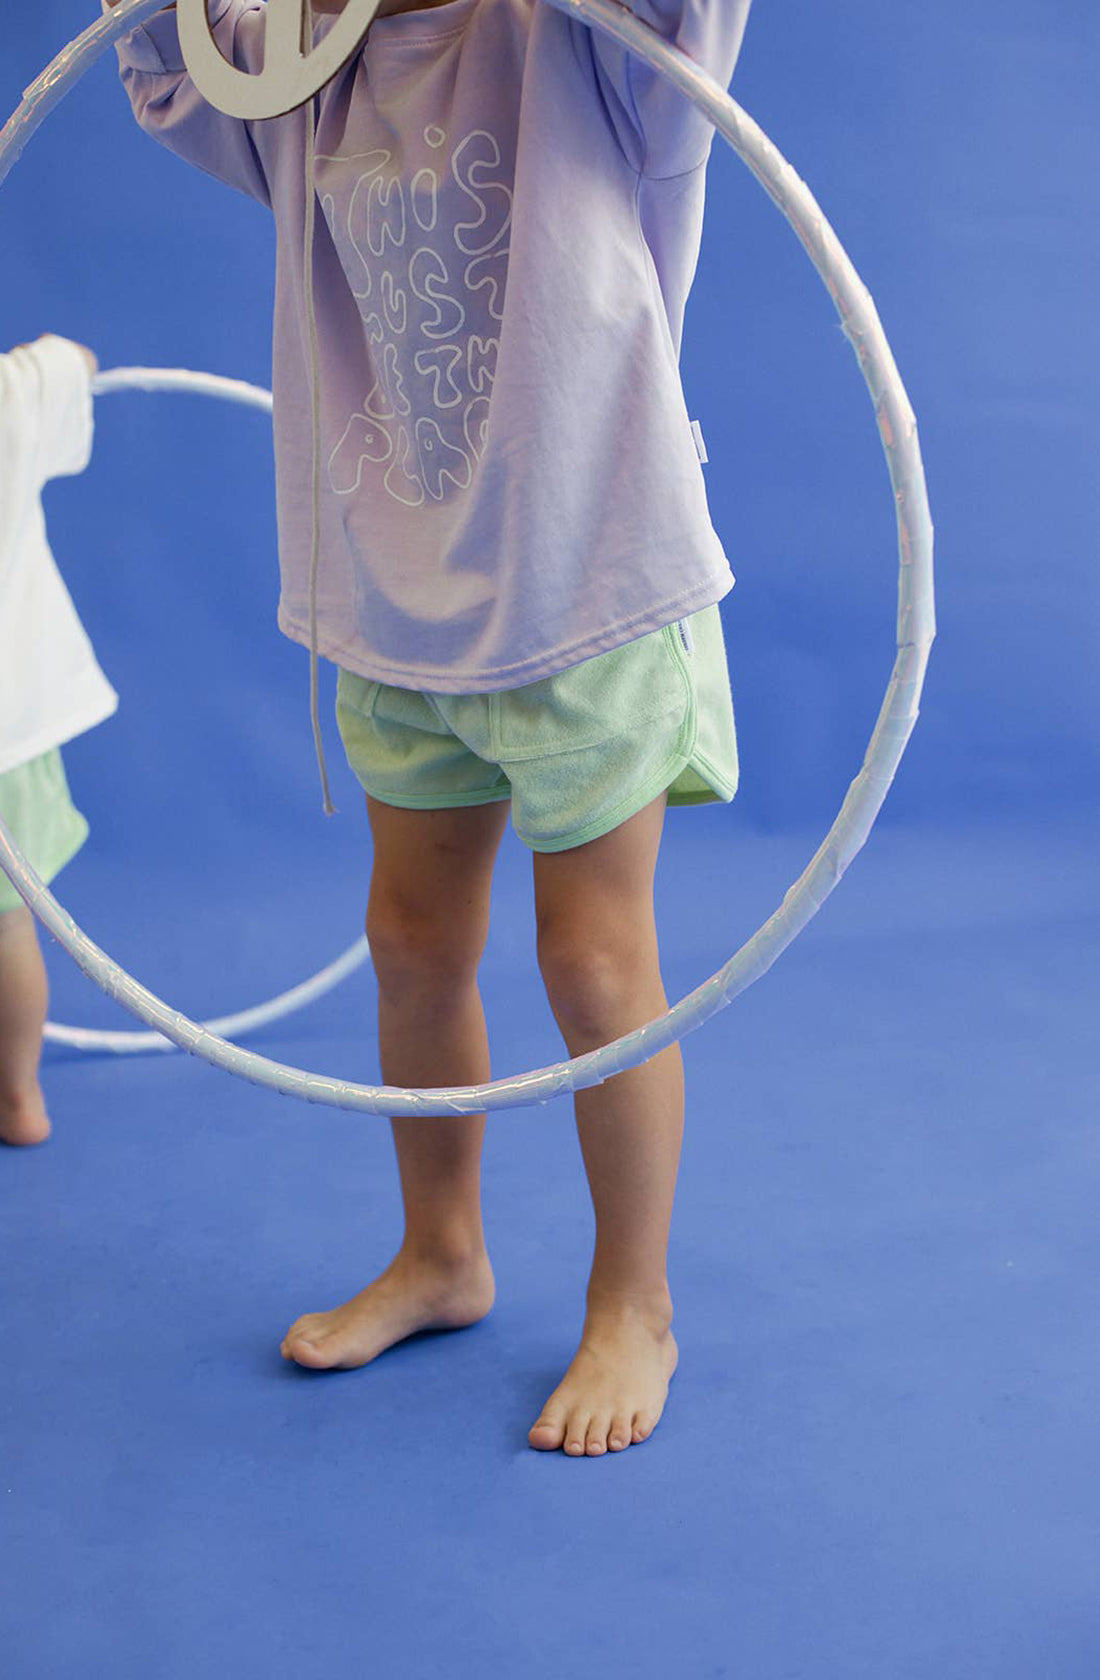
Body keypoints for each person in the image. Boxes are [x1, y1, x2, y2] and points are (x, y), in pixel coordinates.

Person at [104, 0, 751, 1455]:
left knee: (593, 963)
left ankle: (632, 1300)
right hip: (398, 594)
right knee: (411, 940)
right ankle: (444, 1253)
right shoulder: (303, 65)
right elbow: (167, 66)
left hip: (586, 570)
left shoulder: (579, 43)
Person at [0, 333, 117, 1147]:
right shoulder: (10, 395)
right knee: (7, 925)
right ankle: (17, 1098)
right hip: (8, 735)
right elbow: (76, 361)